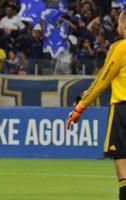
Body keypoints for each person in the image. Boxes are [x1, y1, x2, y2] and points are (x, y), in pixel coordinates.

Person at [66, 11, 126, 200]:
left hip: (123, 110)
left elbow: (103, 79)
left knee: (123, 169)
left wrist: (81, 106)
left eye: (119, 23)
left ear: (124, 25)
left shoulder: (120, 47)